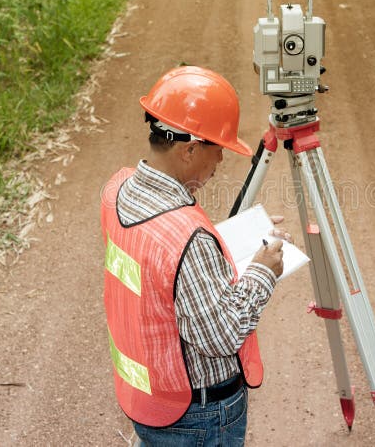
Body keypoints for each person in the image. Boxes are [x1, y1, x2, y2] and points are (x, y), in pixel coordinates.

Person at [100, 66, 285, 446]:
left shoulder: (117, 192)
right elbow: (221, 336)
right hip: (198, 416)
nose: (219, 163)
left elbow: (163, 268)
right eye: (219, 151)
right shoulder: (188, 237)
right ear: (189, 149)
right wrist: (263, 272)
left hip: (150, 398)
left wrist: (220, 247)